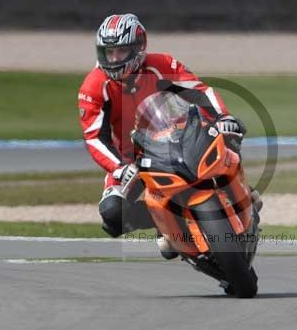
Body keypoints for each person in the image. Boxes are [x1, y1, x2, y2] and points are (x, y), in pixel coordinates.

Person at [78, 13, 246, 259]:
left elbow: (199, 91)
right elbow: (94, 138)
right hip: (130, 160)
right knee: (112, 215)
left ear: (138, 47)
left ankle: (242, 192)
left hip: (178, 138)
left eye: (121, 51)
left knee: (231, 133)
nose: (113, 59)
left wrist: (223, 117)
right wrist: (120, 168)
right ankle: (164, 224)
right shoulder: (93, 86)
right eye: (108, 52)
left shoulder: (162, 64)